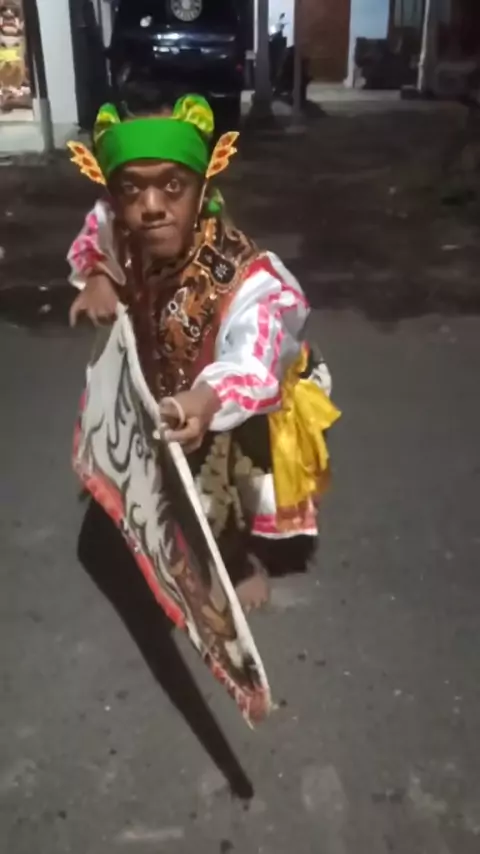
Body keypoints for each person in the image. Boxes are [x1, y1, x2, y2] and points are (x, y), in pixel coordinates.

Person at [67, 92, 340, 611]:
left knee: (225, 485)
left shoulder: (247, 277)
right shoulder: (121, 223)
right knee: (166, 467)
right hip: (168, 379)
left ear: (203, 188)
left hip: (237, 402)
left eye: (173, 186)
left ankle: (240, 563)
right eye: (132, 188)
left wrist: (208, 400)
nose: (151, 207)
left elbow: (254, 359)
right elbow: (99, 228)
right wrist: (99, 276)